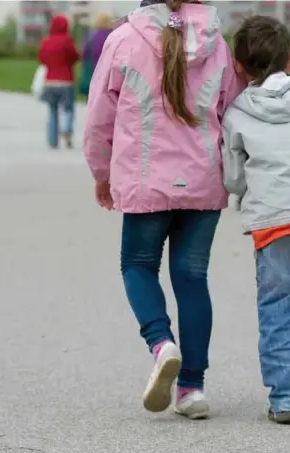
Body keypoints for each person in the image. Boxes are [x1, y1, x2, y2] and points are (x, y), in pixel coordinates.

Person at [83, 0, 243, 419]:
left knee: (137, 265)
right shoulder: (218, 44)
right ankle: (191, 389)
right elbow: (232, 109)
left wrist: (103, 172)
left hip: (144, 180)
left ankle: (161, 343)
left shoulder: (123, 39)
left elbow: (100, 115)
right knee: (192, 278)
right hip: (203, 180)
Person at [222, 15, 290, 425]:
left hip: (271, 222)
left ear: (239, 67)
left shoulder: (236, 113)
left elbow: (232, 178)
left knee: (277, 307)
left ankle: (285, 397)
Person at [38, 15, 79, 149]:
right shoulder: (67, 41)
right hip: (66, 80)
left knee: (53, 110)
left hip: (50, 81)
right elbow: (75, 56)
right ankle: (66, 128)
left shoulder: (46, 41)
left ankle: (53, 141)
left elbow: (41, 59)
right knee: (68, 108)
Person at [79, 14, 112, 96]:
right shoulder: (112, 35)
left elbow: (84, 54)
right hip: (107, 72)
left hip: (92, 70)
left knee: (91, 97)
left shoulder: (91, 35)